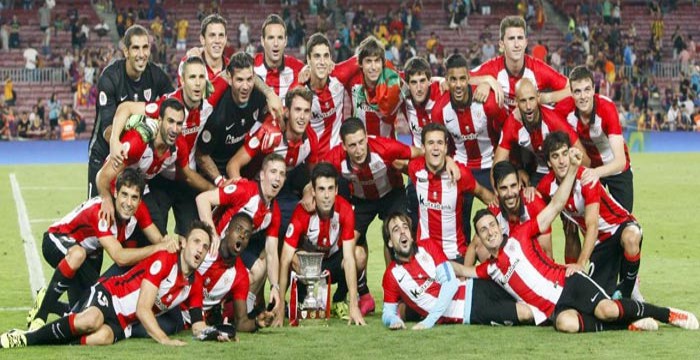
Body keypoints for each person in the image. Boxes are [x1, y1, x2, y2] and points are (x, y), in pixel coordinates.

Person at [458, 147, 699, 333]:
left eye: (491, 227)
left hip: (565, 281)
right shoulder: (488, 268)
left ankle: (666, 314)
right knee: (566, 325)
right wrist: (437, 266)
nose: (490, 232)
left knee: (607, 310)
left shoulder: (520, 233)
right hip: (555, 307)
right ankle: (629, 324)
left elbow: (556, 205)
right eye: (484, 230)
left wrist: (573, 168)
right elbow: (463, 268)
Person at [1, 221, 216, 348]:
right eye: (196, 242)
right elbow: (143, 309)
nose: (199, 249)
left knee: (100, 337)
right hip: (110, 294)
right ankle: (25, 338)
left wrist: (215, 333)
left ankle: (57, 332)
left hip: (125, 322)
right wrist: (164, 340)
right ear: (184, 243)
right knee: (91, 320)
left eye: (205, 247)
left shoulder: (193, 283)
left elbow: (198, 325)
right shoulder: (165, 259)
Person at [26, 168, 178, 331]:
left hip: (85, 256)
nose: (128, 203)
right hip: (55, 239)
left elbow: (158, 239)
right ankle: (40, 317)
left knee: (88, 307)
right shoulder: (102, 212)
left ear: (140, 200)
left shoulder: (139, 210)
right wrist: (157, 248)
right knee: (78, 254)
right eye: (124, 195)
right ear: (115, 193)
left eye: (134, 197)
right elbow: (119, 256)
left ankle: (48, 301)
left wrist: (171, 243)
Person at [128, 212, 275, 337]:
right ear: (228, 230)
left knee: (169, 325)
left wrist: (256, 322)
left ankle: (125, 328)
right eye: (238, 229)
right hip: (161, 294)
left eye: (247, 235)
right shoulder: (203, 247)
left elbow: (241, 321)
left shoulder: (240, 276)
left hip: (186, 317)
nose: (242, 236)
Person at [381, 212, 533, 330]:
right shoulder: (391, 275)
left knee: (529, 295)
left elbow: (450, 283)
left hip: (476, 287)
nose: (402, 232)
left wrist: (429, 321)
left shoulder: (427, 246)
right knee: (525, 314)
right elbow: (387, 312)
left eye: (405, 227)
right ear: (389, 242)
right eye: (396, 230)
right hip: (472, 310)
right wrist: (394, 320)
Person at [536, 131, 642, 300]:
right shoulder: (546, 186)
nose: (562, 161)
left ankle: (630, 288)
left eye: (565, 153)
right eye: (555, 156)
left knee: (631, 238)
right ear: (549, 162)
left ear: (571, 153)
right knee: (597, 300)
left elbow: (592, 225)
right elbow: (536, 214)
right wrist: (527, 189)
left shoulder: (586, 178)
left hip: (620, 226)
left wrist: (581, 263)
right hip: (600, 244)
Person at [96, 97, 214, 237]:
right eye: (170, 122)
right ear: (159, 121)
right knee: (112, 238)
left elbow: (187, 174)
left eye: (179, 124)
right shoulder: (137, 143)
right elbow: (102, 177)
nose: (174, 129)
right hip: (114, 189)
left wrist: (215, 190)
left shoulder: (179, 145)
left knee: (160, 236)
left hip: (138, 189)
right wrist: (106, 199)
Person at [87, 25, 174, 198]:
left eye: (145, 47)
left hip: (136, 157)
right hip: (106, 152)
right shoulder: (110, 78)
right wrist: (122, 140)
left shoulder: (157, 77)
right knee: (98, 215)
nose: (141, 54)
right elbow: (107, 128)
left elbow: (173, 110)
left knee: (131, 217)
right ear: (126, 51)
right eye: (135, 48)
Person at [196, 153, 287, 318]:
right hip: (212, 248)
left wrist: (275, 286)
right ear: (262, 175)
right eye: (273, 171)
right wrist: (213, 234)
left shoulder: (274, 212)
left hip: (231, 254)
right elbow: (202, 199)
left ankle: (243, 311)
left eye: (282, 174)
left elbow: (272, 253)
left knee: (261, 267)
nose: (278, 178)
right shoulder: (245, 190)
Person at [431, 53, 507, 242]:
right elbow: (441, 145)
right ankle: (463, 264)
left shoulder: (487, 102)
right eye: (453, 80)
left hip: (491, 164)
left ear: (469, 78)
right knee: (457, 222)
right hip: (462, 168)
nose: (458, 85)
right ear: (447, 80)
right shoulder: (440, 111)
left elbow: (507, 132)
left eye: (462, 79)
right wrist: (448, 160)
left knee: (502, 217)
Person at [279, 163, 366, 325]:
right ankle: (304, 299)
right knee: (295, 258)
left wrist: (355, 305)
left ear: (337, 190)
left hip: (334, 261)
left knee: (359, 255)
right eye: (321, 189)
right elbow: (284, 259)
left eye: (330, 189)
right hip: (311, 264)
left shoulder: (345, 210)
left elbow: (348, 258)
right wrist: (279, 308)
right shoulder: (301, 212)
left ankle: (340, 299)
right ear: (312, 191)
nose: (326, 195)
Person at [408, 123, 494, 262]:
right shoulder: (415, 169)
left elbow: (484, 195)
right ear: (423, 148)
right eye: (431, 143)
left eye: (440, 143)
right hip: (425, 256)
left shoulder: (460, 174)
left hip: (455, 255)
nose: (435, 148)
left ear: (446, 147)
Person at [555, 66, 635, 212]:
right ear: (571, 93)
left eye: (587, 89)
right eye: (577, 91)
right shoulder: (564, 109)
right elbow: (544, 113)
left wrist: (596, 173)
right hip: (588, 170)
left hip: (615, 169)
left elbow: (621, 161)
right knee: (590, 221)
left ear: (593, 90)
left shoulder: (607, 108)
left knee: (624, 223)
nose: (583, 96)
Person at [494, 78, 589, 187]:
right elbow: (497, 165)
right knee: (528, 198)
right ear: (516, 102)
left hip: (564, 171)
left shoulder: (554, 121)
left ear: (538, 98)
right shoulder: (512, 123)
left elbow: (585, 160)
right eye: (523, 101)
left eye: (531, 99)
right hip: (538, 172)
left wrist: (576, 178)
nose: (528, 106)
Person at [195, 51, 271, 184]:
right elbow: (201, 155)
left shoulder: (259, 94)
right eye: (240, 80)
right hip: (216, 169)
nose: (245, 87)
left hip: (242, 162)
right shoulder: (217, 116)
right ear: (229, 79)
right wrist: (220, 181)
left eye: (249, 79)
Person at [470, 15, 570, 114]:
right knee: (489, 102)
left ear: (526, 42)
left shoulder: (537, 68)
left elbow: (573, 88)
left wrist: (546, 98)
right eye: (511, 38)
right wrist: (487, 80)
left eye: (520, 38)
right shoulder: (493, 67)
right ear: (501, 44)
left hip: (529, 127)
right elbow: (461, 78)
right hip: (498, 127)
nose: (517, 44)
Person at [465, 160, 552, 264]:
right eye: (503, 188)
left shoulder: (534, 203)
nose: (510, 193)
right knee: (482, 246)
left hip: (534, 265)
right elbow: (474, 246)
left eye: (513, 186)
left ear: (520, 185)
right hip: (510, 265)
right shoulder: (495, 208)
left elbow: (547, 253)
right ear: (496, 191)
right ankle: (497, 276)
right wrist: (464, 280)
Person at [254, 14, 305, 99]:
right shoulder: (252, 65)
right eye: (271, 38)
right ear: (262, 41)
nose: (276, 43)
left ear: (285, 41)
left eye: (280, 38)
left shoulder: (296, 67)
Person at [177, 14, 228, 85]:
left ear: (225, 39)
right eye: (212, 35)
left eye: (221, 35)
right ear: (202, 39)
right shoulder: (187, 63)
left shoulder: (232, 68)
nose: (217, 41)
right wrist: (222, 79)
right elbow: (189, 94)